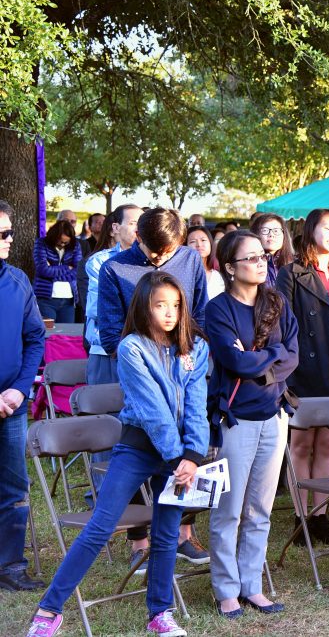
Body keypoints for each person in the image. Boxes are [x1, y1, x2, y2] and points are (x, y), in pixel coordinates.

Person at [27, 272, 209, 637]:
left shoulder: (195, 348)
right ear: (143, 307)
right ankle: (48, 611)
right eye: (160, 305)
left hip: (179, 458)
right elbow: (152, 409)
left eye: (176, 305)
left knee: (167, 533)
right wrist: (180, 459)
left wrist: (193, 454)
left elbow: (196, 404)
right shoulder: (131, 348)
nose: (169, 313)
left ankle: (160, 612)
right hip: (138, 448)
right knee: (100, 526)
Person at [98, 207, 210, 570]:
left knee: (185, 451)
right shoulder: (115, 268)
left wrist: (188, 352)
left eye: (169, 251)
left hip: (183, 368)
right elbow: (110, 332)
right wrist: (141, 359)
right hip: (140, 373)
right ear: (138, 237)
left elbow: (199, 314)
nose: (161, 258)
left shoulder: (189, 259)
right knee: (141, 448)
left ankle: (182, 535)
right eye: (154, 251)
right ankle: (139, 542)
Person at [207, 231, 299, 619]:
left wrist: (264, 358)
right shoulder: (218, 310)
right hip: (235, 419)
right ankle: (226, 590)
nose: (261, 263)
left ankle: (252, 586)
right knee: (229, 510)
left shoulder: (276, 303)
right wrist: (270, 357)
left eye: (263, 256)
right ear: (230, 267)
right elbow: (235, 363)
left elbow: (292, 356)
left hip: (275, 414)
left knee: (260, 509)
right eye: (251, 258)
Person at [276, 208, 329, 544]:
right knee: (300, 445)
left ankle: (321, 517)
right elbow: (283, 324)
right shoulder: (290, 273)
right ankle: (301, 518)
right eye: (327, 228)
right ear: (311, 230)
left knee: (327, 444)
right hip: (302, 369)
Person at [0, 201, 46, 593]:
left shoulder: (17, 281)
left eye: (9, 231)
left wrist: (19, 388)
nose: (9, 239)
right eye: (2, 234)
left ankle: (10, 566)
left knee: (14, 488)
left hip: (11, 407)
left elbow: (35, 339)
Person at [84, 204, 142, 384]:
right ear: (116, 227)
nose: (139, 229)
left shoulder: (155, 261)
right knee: (105, 400)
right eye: (133, 223)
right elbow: (97, 309)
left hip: (146, 350)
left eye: (142, 223)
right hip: (107, 349)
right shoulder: (101, 261)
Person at [32, 220, 83, 323]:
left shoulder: (75, 245)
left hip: (69, 300)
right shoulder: (41, 243)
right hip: (45, 298)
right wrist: (67, 268)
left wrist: (52, 270)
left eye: (66, 242)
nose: (62, 244)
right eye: (60, 241)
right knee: (48, 331)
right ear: (53, 236)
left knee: (67, 332)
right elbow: (43, 270)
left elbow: (78, 270)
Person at [250, 213, 296, 289]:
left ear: (284, 235)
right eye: (265, 230)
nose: (271, 235)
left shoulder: (295, 265)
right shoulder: (248, 264)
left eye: (276, 231)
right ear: (255, 234)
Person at [186, 226, 225, 300]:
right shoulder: (182, 274)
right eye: (192, 241)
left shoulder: (218, 276)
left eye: (203, 240)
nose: (199, 245)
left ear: (210, 243)